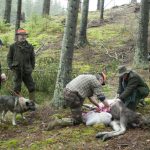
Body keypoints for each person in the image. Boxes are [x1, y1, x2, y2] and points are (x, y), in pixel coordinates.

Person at [7, 28, 35, 101]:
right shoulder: (13, 46)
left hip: (27, 71)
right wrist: (11, 67)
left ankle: (31, 103)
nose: (23, 36)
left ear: (26, 36)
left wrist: (31, 68)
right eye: (21, 35)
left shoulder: (30, 47)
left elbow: (32, 58)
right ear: (17, 36)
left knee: (31, 87)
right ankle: (15, 104)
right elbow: (9, 58)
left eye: (24, 35)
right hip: (17, 71)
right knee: (16, 88)